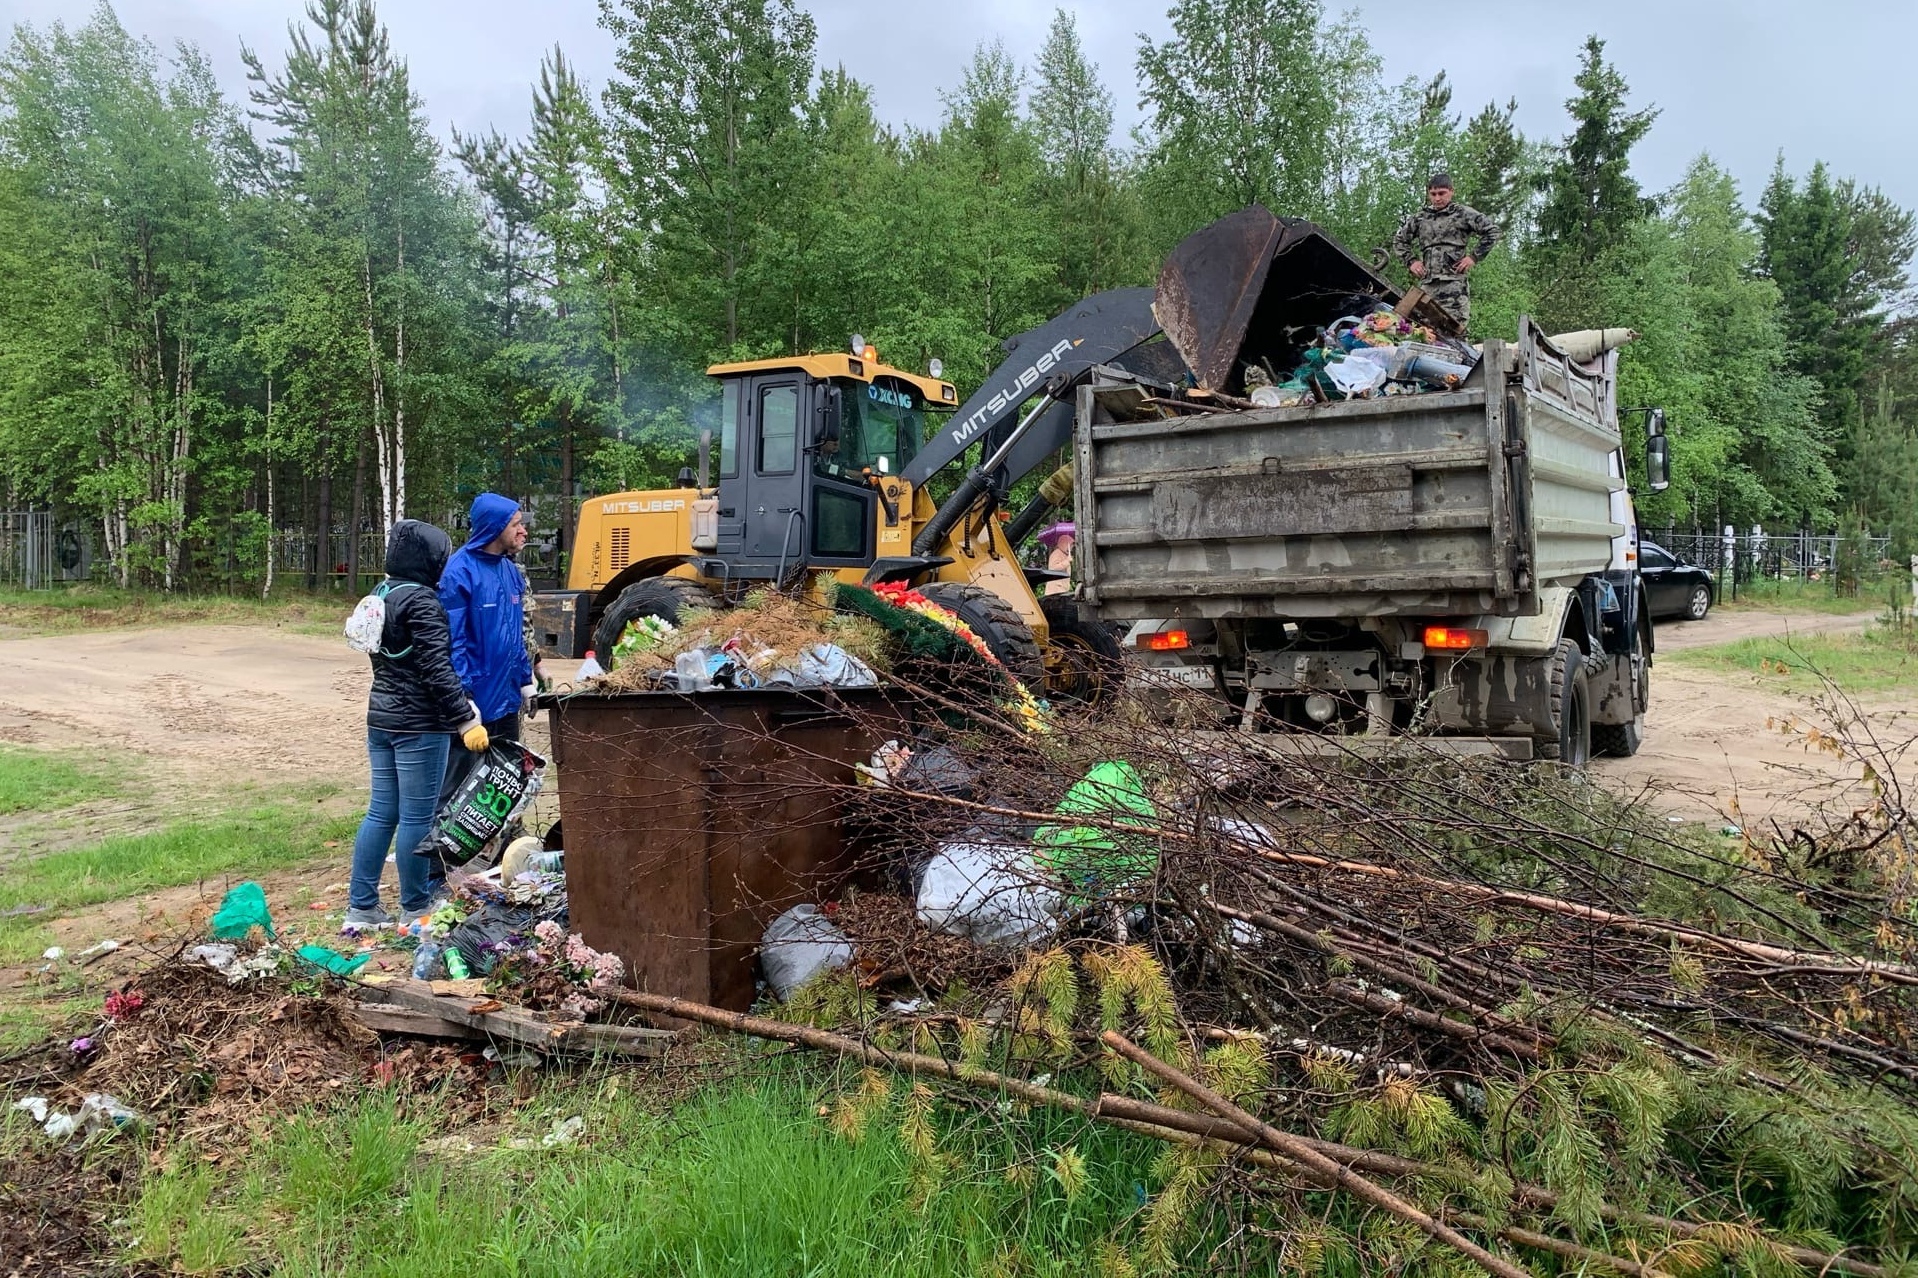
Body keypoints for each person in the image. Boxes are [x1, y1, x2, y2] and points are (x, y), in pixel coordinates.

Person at [345, 520, 489, 931]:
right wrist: (464, 719)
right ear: (428, 560)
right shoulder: (424, 602)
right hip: (420, 726)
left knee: (381, 813)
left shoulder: (379, 594)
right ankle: (415, 906)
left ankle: (362, 907)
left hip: (382, 718)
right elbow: (436, 668)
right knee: (417, 819)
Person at [438, 493, 534, 802]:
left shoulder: (508, 571)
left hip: (506, 702)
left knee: (503, 786)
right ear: (495, 527)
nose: (523, 531)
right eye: (517, 524)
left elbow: (514, 634)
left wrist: (525, 680)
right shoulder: (459, 573)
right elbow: (454, 643)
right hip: (476, 705)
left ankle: (502, 847)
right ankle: (443, 850)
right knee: (460, 790)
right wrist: (464, 702)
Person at [1390, 173, 1501, 330]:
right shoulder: (1421, 217)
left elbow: (1493, 232)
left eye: (1441, 193)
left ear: (1451, 191)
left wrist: (1474, 257)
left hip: (1454, 285)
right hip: (1428, 285)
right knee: (1422, 329)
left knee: (1455, 330)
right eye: (1433, 194)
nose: (1437, 198)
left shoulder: (1463, 213)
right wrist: (1411, 261)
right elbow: (1399, 240)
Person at [1037, 522, 1076, 597]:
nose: (1071, 548)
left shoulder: (1064, 555)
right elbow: (1053, 569)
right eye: (1070, 545)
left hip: (1062, 589)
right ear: (1064, 544)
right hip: (1055, 590)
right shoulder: (1056, 554)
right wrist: (1067, 562)